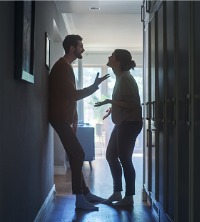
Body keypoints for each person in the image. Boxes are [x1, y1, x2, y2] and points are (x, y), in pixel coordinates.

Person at [49, 34, 109, 211]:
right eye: (80, 46)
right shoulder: (61, 67)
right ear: (72, 48)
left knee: (75, 155)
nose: (83, 49)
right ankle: (80, 199)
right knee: (79, 154)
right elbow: (73, 95)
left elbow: (68, 96)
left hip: (63, 119)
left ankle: (86, 194)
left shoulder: (66, 66)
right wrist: (94, 85)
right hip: (58, 119)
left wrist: (74, 119)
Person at [94, 49, 142, 207]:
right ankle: (117, 192)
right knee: (110, 155)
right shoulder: (120, 77)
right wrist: (113, 109)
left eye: (112, 56)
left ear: (119, 61)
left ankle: (128, 198)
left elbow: (132, 104)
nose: (109, 57)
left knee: (125, 159)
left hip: (130, 123)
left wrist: (109, 101)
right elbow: (124, 101)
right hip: (123, 122)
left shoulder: (126, 78)